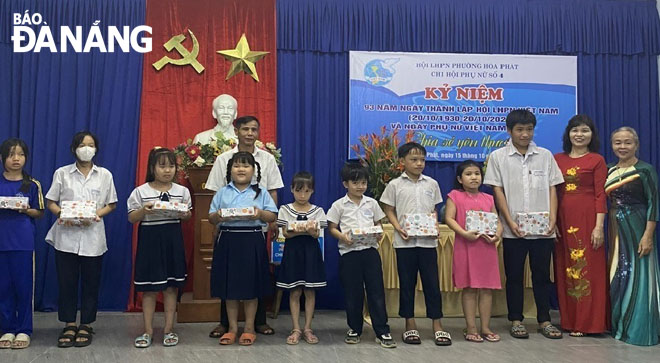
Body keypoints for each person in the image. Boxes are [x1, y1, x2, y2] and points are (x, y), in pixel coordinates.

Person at [483, 109, 564, 340]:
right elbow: (498, 192)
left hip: (543, 230)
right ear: (509, 131)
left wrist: (553, 219)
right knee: (515, 276)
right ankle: (516, 319)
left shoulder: (545, 155)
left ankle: (544, 320)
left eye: (529, 129)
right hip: (513, 230)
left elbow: (553, 188)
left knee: (541, 276)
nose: (525, 134)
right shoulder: (498, 157)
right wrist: (509, 222)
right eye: (520, 129)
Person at [205, 115, 283, 338]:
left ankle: (256, 324)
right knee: (228, 278)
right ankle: (227, 325)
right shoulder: (224, 159)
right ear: (236, 131)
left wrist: (272, 220)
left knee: (254, 277)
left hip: (256, 227)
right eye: (245, 129)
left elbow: (274, 189)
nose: (250, 133)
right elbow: (215, 194)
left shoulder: (267, 159)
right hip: (228, 228)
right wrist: (216, 221)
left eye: (254, 130)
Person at [45, 131, 118, 348]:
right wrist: (63, 214)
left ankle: (86, 324)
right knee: (66, 282)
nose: (86, 148)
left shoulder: (105, 174)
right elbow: (51, 201)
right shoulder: (62, 173)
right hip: (65, 236)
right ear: (74, 148)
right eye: (82, 144)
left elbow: (111, 204)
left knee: (90, 283)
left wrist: (97, 215)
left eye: (91, 144)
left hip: (93, 236)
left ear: (96, 149)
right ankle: (69, 323)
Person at [380, 142, 449, 346]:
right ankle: (410, 324)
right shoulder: (395, 185)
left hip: (428, 243)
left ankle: (437, 324)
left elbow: (434, 209)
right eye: (414, 160)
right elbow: (388, 209)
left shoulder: (432, 184)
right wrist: (397, 227)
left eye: (422, 160)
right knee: (407, 284)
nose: (419, 164)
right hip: (405, 242)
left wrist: (435, 225)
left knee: (432, 284)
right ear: (402, 162)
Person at [127, 147, 192, 348]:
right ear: (152, 168)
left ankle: (168, 329)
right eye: (162, 166)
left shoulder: (182, 191)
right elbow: (131, 217)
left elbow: (188, 214)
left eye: (171, 166)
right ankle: (147, 331)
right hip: (150, 240)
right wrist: (143, 210)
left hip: (172, 239)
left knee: (171, 287)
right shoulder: (141, 191)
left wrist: (184, 214)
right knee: (149, 289)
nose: (167, 170)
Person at [327, 162, 396, 348]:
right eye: (356, 183)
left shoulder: (372, 203)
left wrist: (379, 233)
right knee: (353, 293)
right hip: (349, 253)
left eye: (364, 183)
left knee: (376, 292)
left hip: (370, 252)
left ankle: (382, 330)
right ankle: (354, 328)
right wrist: (342, 236)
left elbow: (379, 223)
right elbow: (332, 227)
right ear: (345, 184)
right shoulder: (338, 205)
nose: (360, 187)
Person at [554, 115, 608, 337]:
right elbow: (552, 193)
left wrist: (599, 227)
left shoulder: (596, 160)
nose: (579, 135)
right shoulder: (557, 159)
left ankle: (589, 323)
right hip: (562, 218)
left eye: (584, 130)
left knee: (588, 269)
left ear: (591, 135)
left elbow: (600, 194)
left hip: (587, 218)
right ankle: (569, 321)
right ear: (568, 134)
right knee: (565, 267)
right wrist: (552, 221)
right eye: (575, 130)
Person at [606, 126, 660, 346]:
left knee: (640, 276)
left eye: (627, 142)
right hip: (614, 229)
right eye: (618, 142)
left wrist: (648, 235)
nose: (623, 147)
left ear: (636, 145)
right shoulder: (607, 169)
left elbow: (653, 203)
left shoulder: (646, 170)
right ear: (612, 145)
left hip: (638, 227)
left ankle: (639, 329)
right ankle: (619, 326)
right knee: (617, 275)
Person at [444, 160, 502, 343]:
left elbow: (497, 220)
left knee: (487, 289)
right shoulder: (455, 196)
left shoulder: (489, 198)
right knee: (469, 288)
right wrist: (464, 233)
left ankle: (485, 327)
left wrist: (497, 236)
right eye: (468, 174)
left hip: (486, 249)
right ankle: (470, 327)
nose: (474, 177)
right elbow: (449, 218)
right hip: (466, 246)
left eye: (477, 173)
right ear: (460, 179)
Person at [0, 138, 44, 349]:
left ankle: (24, 330)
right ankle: (7, 328)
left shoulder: (32, 184)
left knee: (24, 288)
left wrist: (24, 209)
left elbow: (40, 212)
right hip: (1, 243)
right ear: (2, 158)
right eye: (11, 154)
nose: (16, 159)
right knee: (3, 288)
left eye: (20, 154)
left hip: (23, 243)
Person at [276, 172, 327, 345]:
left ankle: (308, 328)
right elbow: (285, 234)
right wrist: (299, 229)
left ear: (312, 191)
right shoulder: (285, 209)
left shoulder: (318, 211)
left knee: (310, 290)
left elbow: (316, 234)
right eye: (299, 191)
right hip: (293, 252)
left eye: (306, 191)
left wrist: (310, 230)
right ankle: (296, 328)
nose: (302, 195)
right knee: (295, 290)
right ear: (291, 190)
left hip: (311, 252)